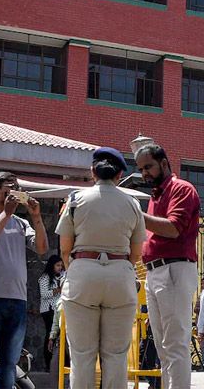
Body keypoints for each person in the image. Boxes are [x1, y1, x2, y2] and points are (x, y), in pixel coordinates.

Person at [57, 147, 146, 389]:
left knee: (82, 355)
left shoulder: (75, 200)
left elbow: (65, 249)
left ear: (92, 171)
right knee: (116, 355)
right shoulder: (133, 203)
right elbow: (136, 253)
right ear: (119, 175)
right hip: (120, 276)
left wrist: (77, 269)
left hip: (82, 273)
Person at [0, 171, 48, 389]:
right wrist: (6, 213)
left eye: (17, 189)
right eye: (9, 189)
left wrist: (36, 216)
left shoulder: (21, 223)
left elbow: (42, 248)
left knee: (9, 364)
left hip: (17, 300)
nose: (15, 193)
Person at [135, 144, 201, 389]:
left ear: (164, 163)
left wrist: (135, 214)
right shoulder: (157, 195)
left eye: (148, 167)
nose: (144, 173)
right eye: (141, 169)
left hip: (174, 269)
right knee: (163, 348)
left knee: (175, 345)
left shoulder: (182, 188)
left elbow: (173, 228)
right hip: (157, 272)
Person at [38, 254, 65, 372]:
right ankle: (48, 363)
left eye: (61, 265)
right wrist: (57, 290)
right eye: (57, 265)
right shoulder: (44, 278)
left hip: (57, 309)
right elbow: (44, 294)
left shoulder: (60, 277)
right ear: (52, 265)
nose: (60, 268)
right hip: (48, 310)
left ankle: (57, 363)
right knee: (50, 335)